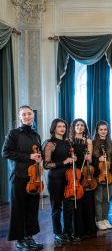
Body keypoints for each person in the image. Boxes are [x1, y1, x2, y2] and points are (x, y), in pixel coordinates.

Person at [2, 105, 43, 250]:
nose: (27, 116)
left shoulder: (36, 135)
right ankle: (20, 240)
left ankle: (29, 237)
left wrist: (39, 157)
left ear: (33, 116)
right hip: (19, 176)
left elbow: (39, 153)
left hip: (34, 178)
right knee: (19, 209)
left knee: (32, 209)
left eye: (29, 114)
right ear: (20, 117)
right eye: (24, 114)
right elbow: (5, 152)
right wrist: (29, 156)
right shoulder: (13, 133)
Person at [43, 118, 78, 245]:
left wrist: (73, 158)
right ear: (54, 128)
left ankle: (68, 232)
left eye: (64, 126)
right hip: (55, 178)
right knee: (56, 207)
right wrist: (64, 162)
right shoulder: (50, 143)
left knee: (68, 206)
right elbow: (46, 165)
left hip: (68, 178)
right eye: (59, 126)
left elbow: (69, 159)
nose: (62, 128)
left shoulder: (68, 143)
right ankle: (58, 234)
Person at [69, 119, 96, 238]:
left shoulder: (88, 141)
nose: (80, 127)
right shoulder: (68, 141)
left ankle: (89, 229)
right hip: (74, 172)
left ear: (85, 128)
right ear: (73, 127)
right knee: (76, 200)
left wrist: (88, 156)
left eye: (82, 125)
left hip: (85, 173)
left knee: (87, 200)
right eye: (77, 125)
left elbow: (90, 159)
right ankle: (78, 230)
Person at [92, 121, 112, 230]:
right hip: (98, 175)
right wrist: (97, 160)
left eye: (105, 129)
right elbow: (90, 161)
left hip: (108, 175)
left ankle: (105, 219)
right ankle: (99, 220)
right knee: (98, 199)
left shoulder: (111, 143)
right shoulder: (92, 143)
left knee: (107, 198)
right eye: (101, 129)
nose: (103, 131)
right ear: (97, 131)